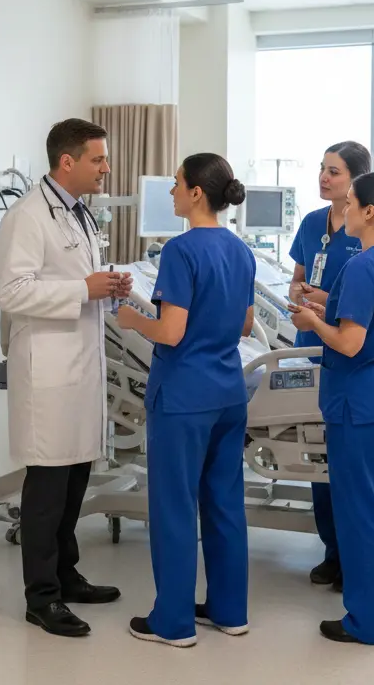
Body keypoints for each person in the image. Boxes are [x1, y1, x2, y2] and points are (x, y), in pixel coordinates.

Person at [0, 118, 133, 638]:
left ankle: (66, 573)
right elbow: (12, 293)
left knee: (75, 480)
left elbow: (75, 280)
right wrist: (83, 288)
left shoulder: (77, 215)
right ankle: (41, 596)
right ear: (67, 162)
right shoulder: (28, 216)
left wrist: (105, 285)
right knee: (47, 489)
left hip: (79, 369)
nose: (107, 167)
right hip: (48, 372)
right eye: (98, 159)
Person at [116, 154, 256, 648]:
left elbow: (170, 332)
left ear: (197, 193)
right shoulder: (241, 251)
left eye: (177, 183)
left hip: (183, 397)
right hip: (228, 393)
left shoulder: (179, 251)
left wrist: (133, 320)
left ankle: (173, 623)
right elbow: (243, 325)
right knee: (223, 503)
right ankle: (229, 610)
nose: (172, 191)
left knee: (175, 507)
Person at [288, 172, 374, 646]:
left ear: (368, 212)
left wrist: (308, 321)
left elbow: (348, 341)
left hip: (358, 403)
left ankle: (364, 623)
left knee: (361, 513)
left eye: (350, 202)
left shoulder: (363, 266)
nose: (341, 208)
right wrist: (325, 309)